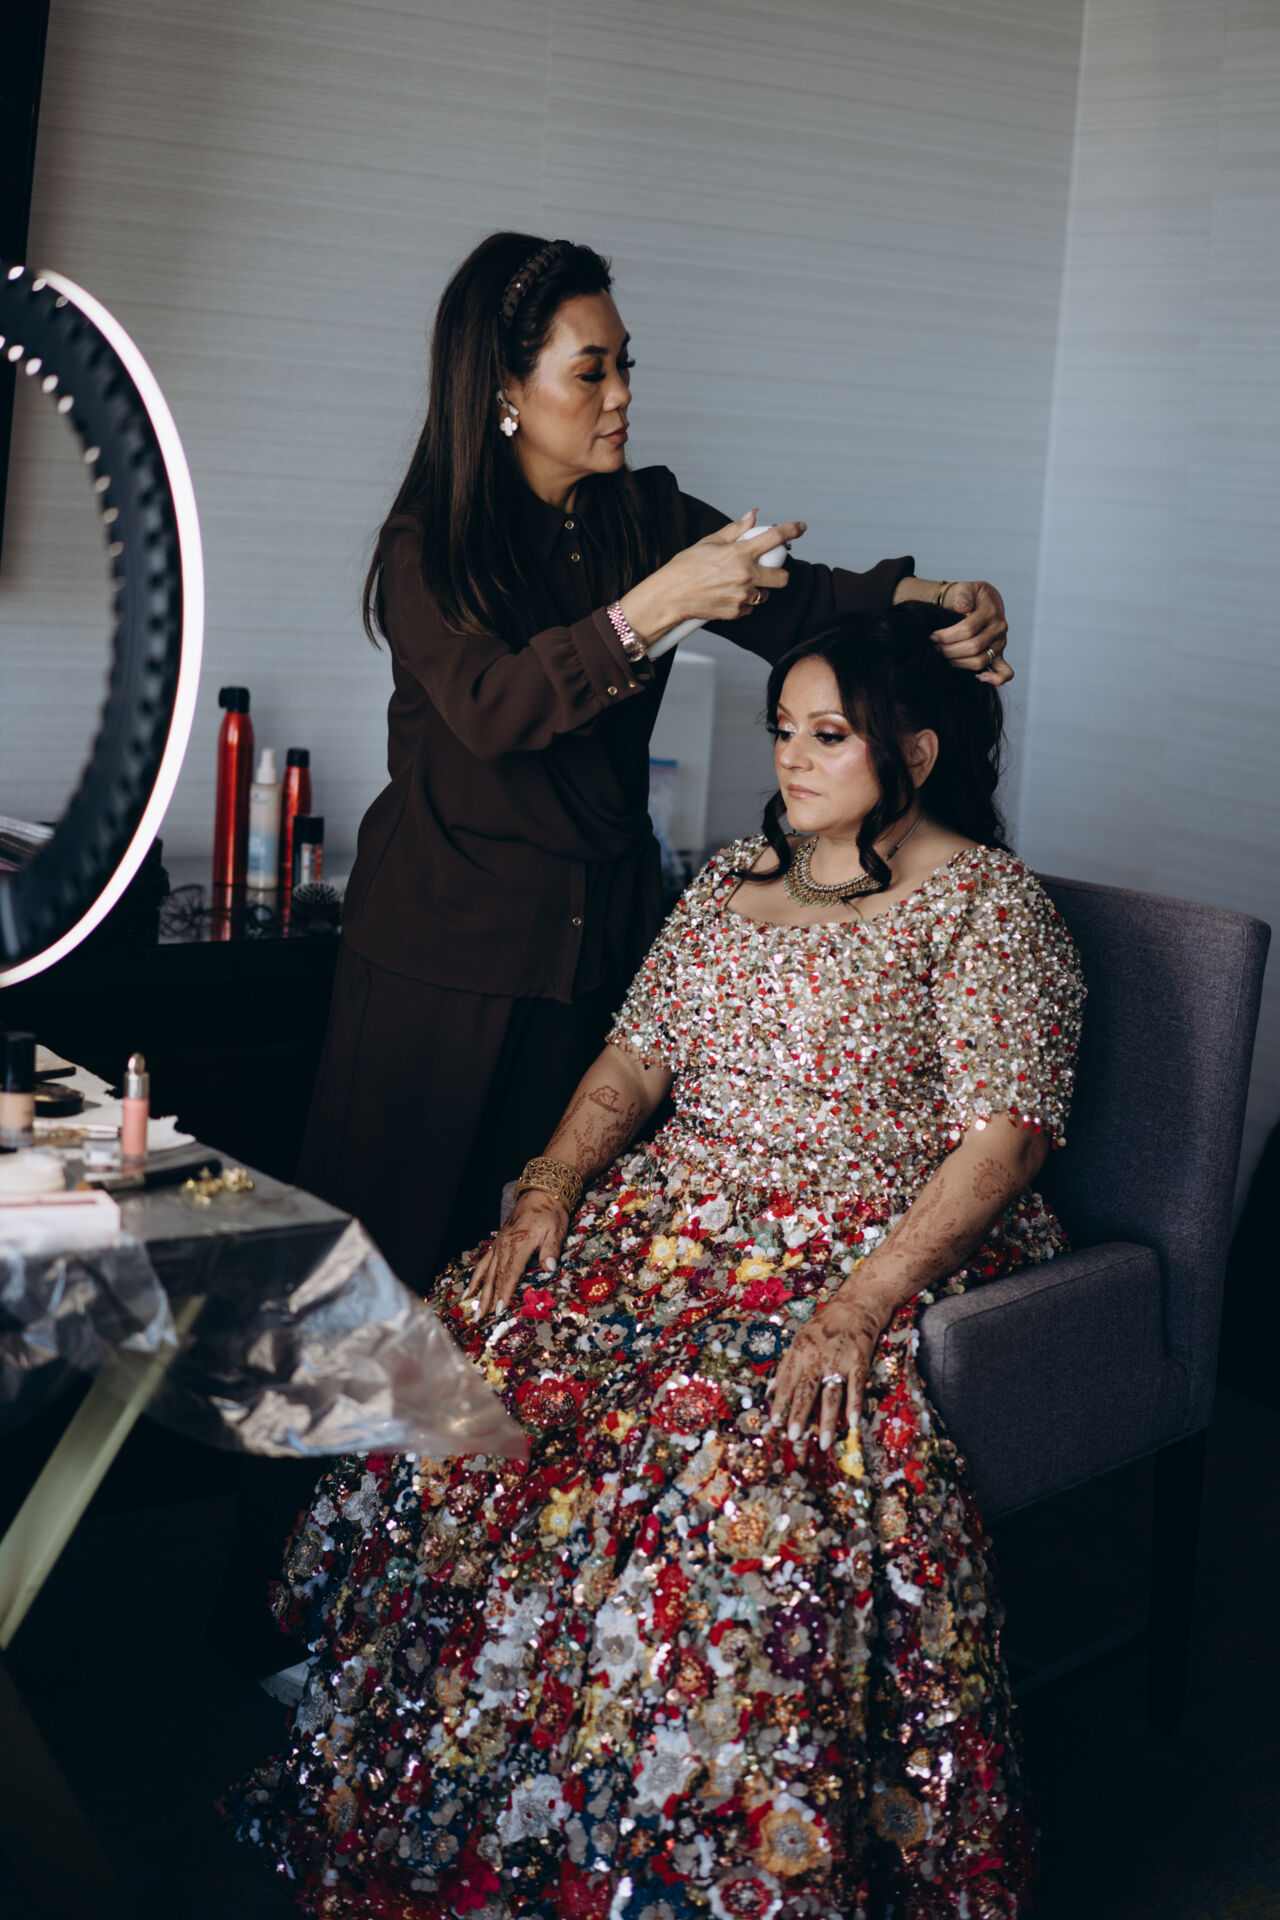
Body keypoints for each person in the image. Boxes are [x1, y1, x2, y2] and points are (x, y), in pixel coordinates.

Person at [228, 603, 1085, 1918]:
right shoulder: (736, 877)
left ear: (914, 750)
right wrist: (550, 1187)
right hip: (673, 1223)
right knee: (479, 1353)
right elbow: (636, 1058)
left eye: (830, 735)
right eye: (785, 728)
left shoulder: (985, 903)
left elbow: (1006, 1142)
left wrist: (857, 1306)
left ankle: (672, 1855)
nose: (791, 756)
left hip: (855, 1240)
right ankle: (459, 1763)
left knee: (714, 1475)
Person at [297, 229, 1013, 1294]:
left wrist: (946, 601)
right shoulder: (429, 548)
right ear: (503, 389)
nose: (621, 394)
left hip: (597, 940)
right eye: (589, 371)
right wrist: (648, 610)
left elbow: (811, 602)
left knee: (529, 1269)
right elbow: (493, 709)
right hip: (442, 954)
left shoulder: (646, 517)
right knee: (376, 1276)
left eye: (624, 364)